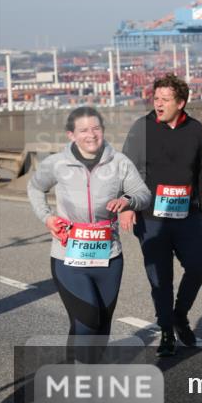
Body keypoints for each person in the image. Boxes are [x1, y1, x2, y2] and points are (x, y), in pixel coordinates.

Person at [27, 106, 151, 362]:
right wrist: (47, 217)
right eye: (83, 130)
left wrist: (128, 201)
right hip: (68, 257)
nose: (91, 135)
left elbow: (144, 194)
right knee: (89, 317)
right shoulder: (58, 163)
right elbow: (35, 187)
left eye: (96, 128)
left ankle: (79, 365)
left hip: (108, 257)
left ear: (103, 131)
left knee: (102, 323)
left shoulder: (119, 162)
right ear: (71, 135)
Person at [122, 73, 202, 357]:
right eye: (155, 98)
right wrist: (126, 205)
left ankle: (179, 315)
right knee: (160, 278)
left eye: (165, 99)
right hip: (151, 217)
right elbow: (125, 171)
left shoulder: (196, 130)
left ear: (181, 103)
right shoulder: (141, 128)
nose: (158, 104)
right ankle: (165, 330)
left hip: (188, 214)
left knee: (198, 267)